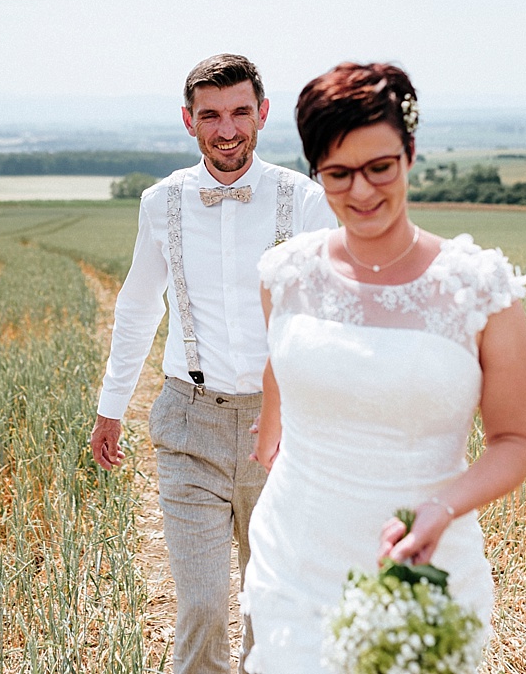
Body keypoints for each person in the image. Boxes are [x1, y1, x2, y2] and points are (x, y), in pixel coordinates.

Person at [240, 62, 526, 673]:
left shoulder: (480, 288)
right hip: (295, 558)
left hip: (421, 560)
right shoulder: (286, 274)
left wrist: (443, 508)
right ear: (315, 171)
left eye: (380, 167)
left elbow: (514, 441)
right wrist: (271, 426)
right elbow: (282, 362)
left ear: (410, 154)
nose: (362, 191)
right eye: (338, 173)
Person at [90, 53, 337, 674]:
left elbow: (330, 317)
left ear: (262, 114)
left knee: (270, 605)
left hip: (279, 432)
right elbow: (139, 307)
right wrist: (110, 408)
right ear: (188, 121)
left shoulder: (304, 201)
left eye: (239, 113)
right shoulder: (160, 203)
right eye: (211, 116)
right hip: (188, 423)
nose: (227, 130)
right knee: (201, 604)